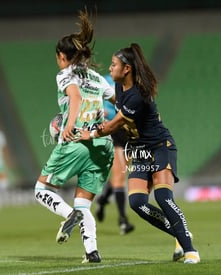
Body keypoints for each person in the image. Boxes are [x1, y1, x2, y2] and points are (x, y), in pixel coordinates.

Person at [79, 43, 200, 264]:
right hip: (141, 152)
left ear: (126, 69)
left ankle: (190, 250)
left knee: (163, 198)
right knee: (137, 203)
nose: (110, 67)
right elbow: (117, 120)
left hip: (160, 147)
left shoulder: (137, 95)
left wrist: (91, 133)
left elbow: (114, 125)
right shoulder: (119, 89)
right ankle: (180, 234)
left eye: (114, 64)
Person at [34, 9, 115, 263]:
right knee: (84, 202)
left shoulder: (65, 74)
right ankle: (91, 251)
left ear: (62, 56)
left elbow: (75, 97)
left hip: (76, 140)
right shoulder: (97, 78)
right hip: (103, 145)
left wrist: (69, 126)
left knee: (41, 189)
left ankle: (70, 215)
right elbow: (119, 104)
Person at [96, 94, 135, 235]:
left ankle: (102, 200)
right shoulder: (107, 80)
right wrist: (100, 112)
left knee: (120, 175)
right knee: (119, 177)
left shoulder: (134, 85)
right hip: (113, 129)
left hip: (129, 131)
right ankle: (123, 220)